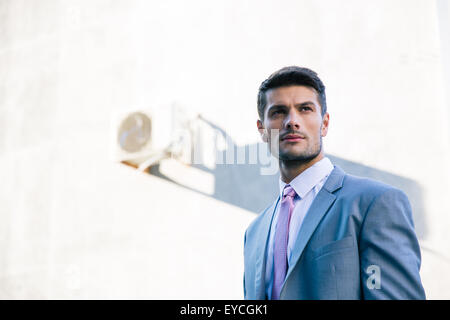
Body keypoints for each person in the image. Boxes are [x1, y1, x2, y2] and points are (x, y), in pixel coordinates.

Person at [243, 66, 426, 300]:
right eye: (278, 112)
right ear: (262, 130)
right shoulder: (254, 232)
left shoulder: (374, 203)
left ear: (325, 123)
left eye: (305, 109)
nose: (292, 121)